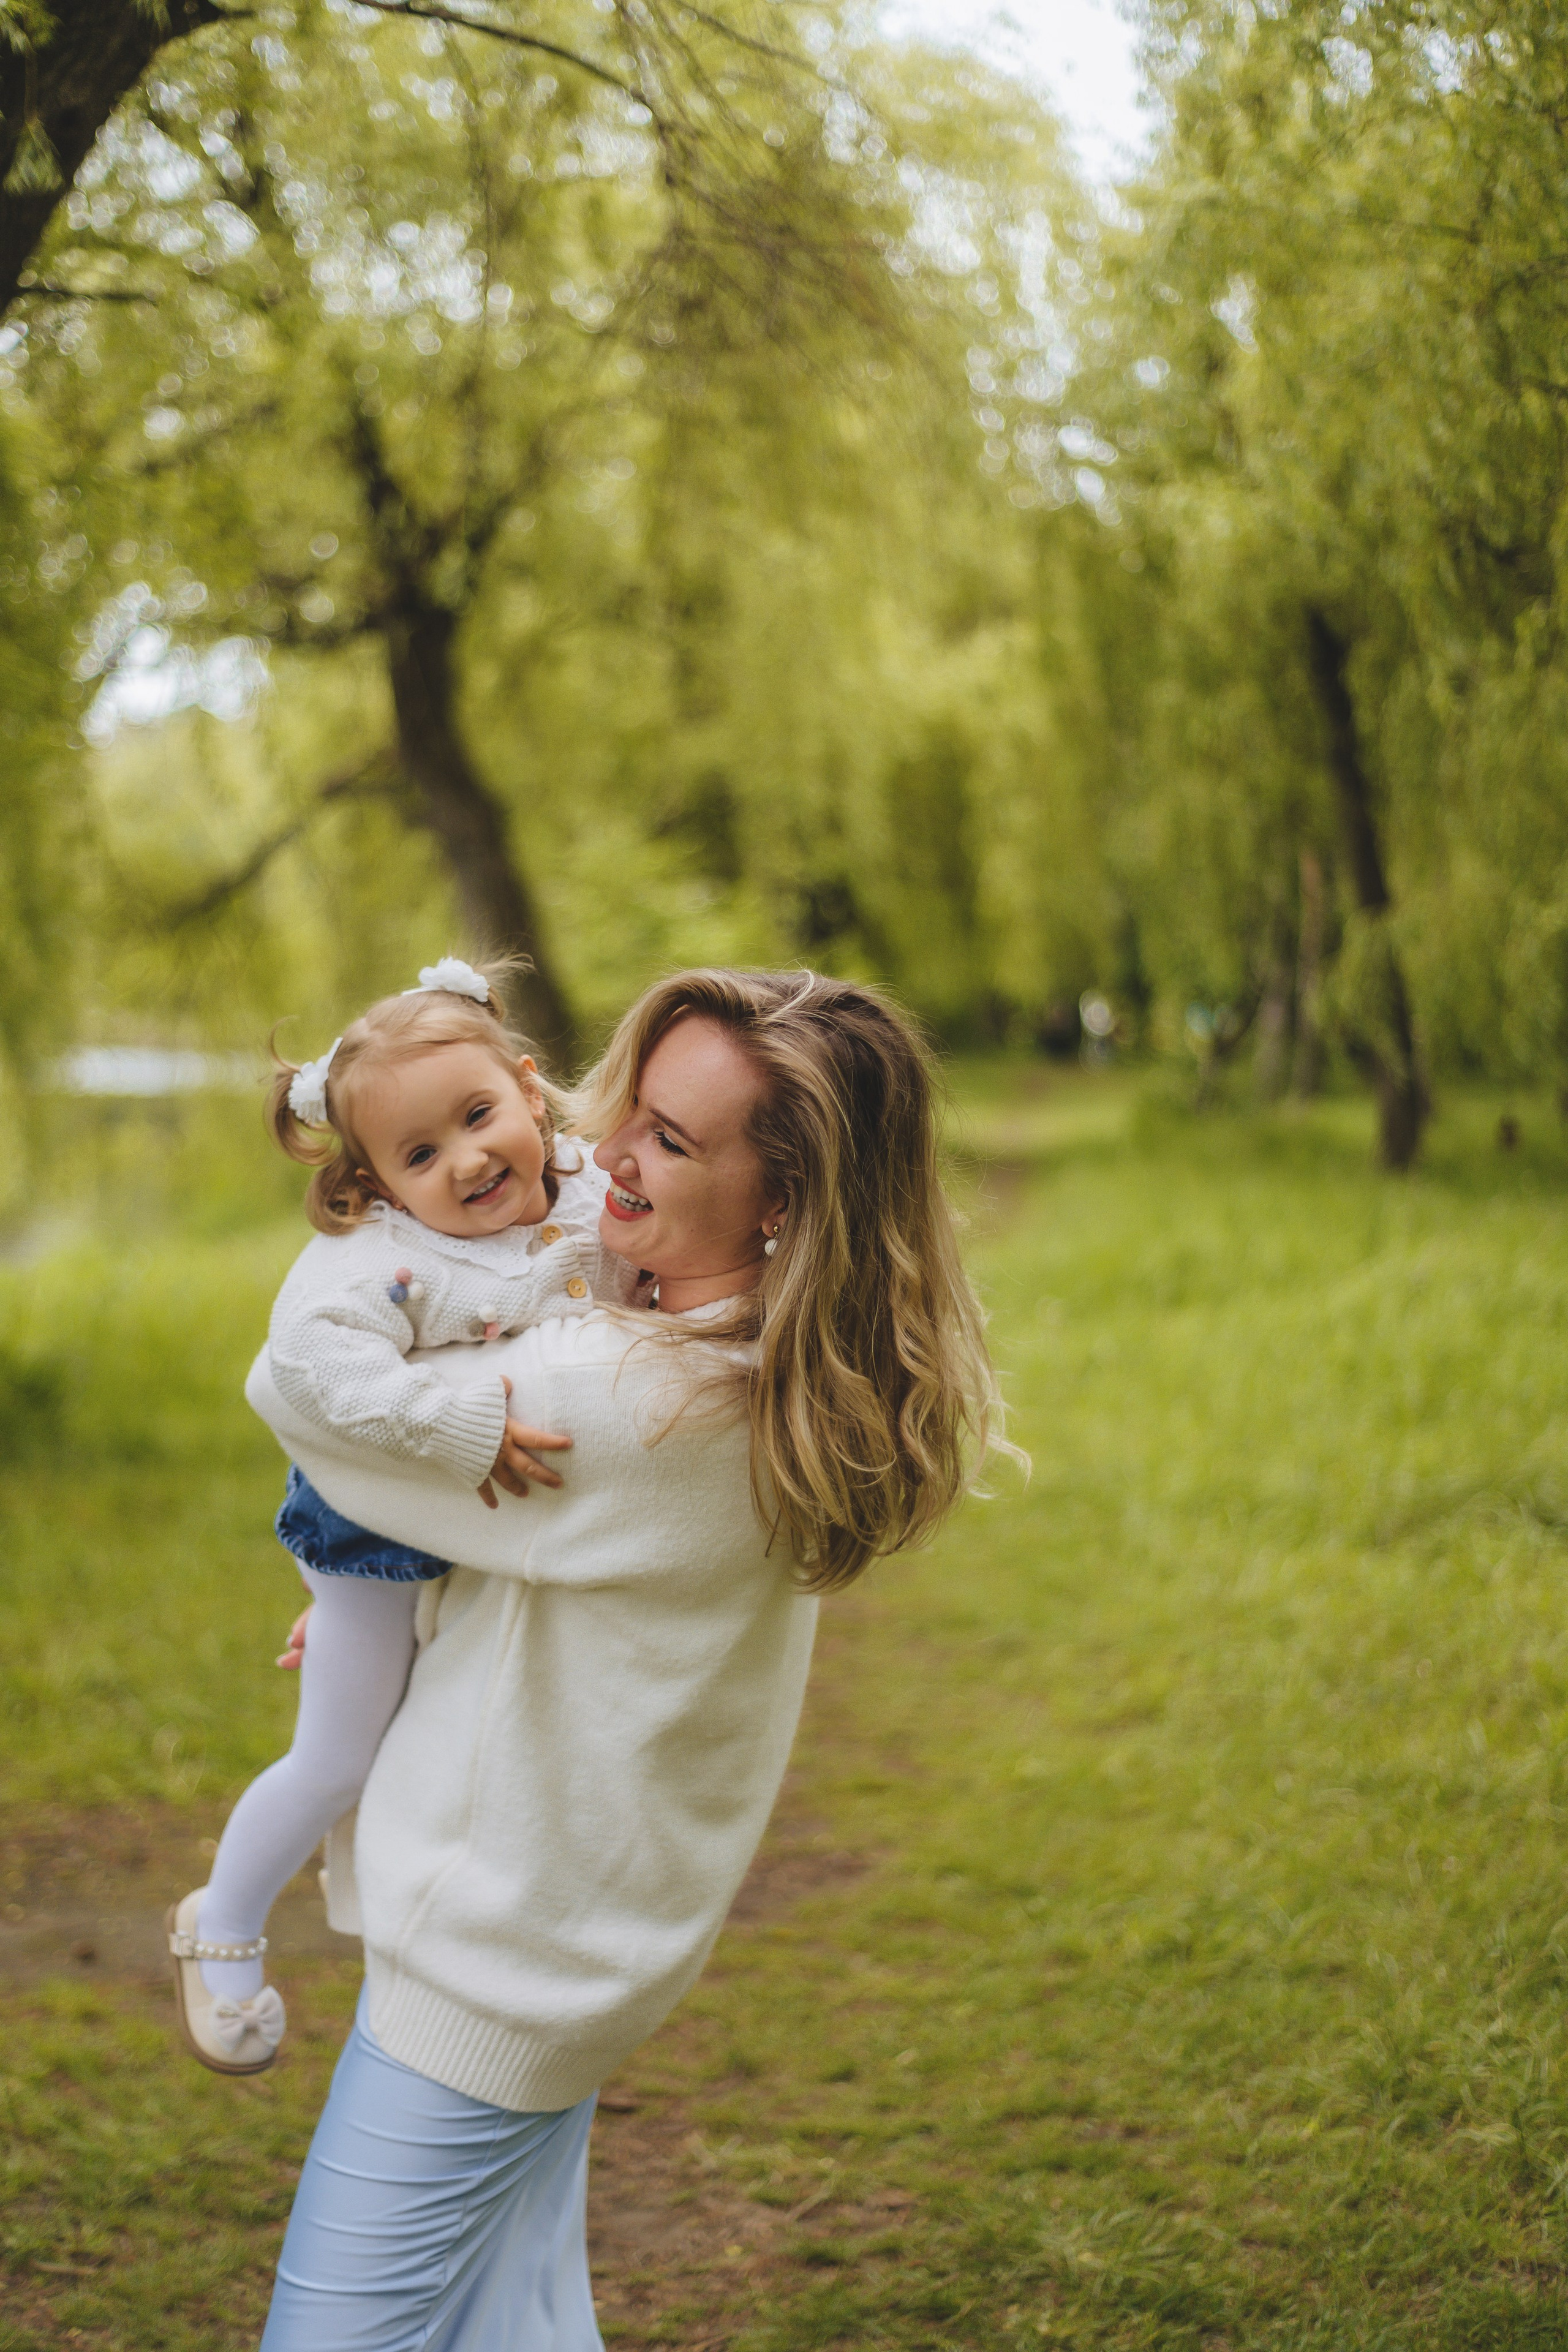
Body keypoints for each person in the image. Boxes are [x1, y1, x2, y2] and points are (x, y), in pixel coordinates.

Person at [245, 968, 1012, 2351]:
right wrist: (422, 1611)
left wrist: (374, 1215)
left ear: (778, 1200)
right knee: (512, 2327)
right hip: (578, 1952)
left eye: (670, 1137)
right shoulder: (758, 1359)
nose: (612, 1151)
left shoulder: (620, 1399)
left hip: (491, 1972)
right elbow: (557, 1583)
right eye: (627, 1111)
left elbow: (296, 1397)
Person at [166, 955, 637, 2076]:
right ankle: (220, 1919)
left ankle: (436, 1907)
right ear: (378, 1186)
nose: (467, 1160)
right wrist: (462, 1428)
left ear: (530, 1089)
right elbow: (313, 1373)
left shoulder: (589, 1186)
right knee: (338, 1750)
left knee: (449, 1726)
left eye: (479, 1117)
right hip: (377, 1537)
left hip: (478, 1541)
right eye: (421, 1155)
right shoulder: (381, 1270)